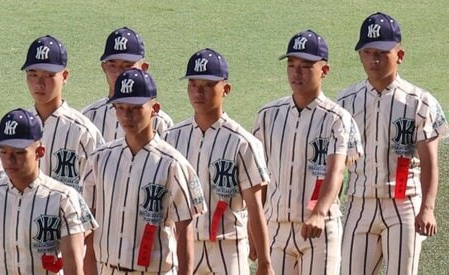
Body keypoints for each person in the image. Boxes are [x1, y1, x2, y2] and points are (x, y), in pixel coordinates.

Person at [337, 13, 444, 275]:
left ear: (400, 55)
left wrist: (427, 209)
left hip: (404, 203)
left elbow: (430, 163)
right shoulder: (345, 101)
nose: (373, 60)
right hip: (359, 203)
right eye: (368, 52)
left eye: (382, 53)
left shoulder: (420, 102)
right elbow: (337, 161)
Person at [252, 31, 360, 275]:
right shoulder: (267, 115)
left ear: (324, 70)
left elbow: (337, 170)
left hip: (320, 230)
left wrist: (319, 213)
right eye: (292, 65)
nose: (296, 73)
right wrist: (254, 226)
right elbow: (259, 177)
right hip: (276, 229)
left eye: (306, 66)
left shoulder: (337, 119)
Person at [82, 68, 205, 275]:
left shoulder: (173, 164)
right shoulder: (99, 158)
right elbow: (89, 224)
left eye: (135, 108)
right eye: (120, 107)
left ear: (154, 108)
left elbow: (185, 229)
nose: (126, 116)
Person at [166, 49, 272, 275]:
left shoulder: (243, 142)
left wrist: (264, 261)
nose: (198, 91)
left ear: (226, 89)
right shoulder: (171, 138)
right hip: (184, 244)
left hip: (229, 246)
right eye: (193, 84)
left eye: (207, 85)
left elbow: (255, 208)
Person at [0, 109, 94, 275]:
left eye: (19, 152)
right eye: (4, 151)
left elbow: (74, 269)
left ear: (39, 152)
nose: (9, 160)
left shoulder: (64, 198)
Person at [21, 35, 102, 189]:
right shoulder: (19, 126)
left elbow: (99, 192)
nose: (39, 83)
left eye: (48, 75)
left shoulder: (83, 132)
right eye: (33, 74)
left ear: (64, 76)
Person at [82, 27, 175, 142]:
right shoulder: (88, 117)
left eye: (127, 65)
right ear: (104, 67)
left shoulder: (161, 123)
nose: (119, 72)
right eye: (112, 65)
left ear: (144, 68)